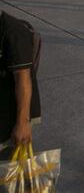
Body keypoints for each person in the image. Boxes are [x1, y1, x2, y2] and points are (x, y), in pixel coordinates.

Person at [0, 11, 41, 159]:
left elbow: (23, 79)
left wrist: (22, 123)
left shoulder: (14, 32)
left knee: (8, 171)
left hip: (7, 115)